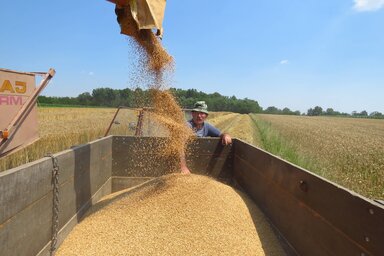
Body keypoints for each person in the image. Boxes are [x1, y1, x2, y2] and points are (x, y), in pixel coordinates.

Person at [181, 101, 232, 174]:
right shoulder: (187, 126)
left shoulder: (207, 126)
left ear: (206, 116)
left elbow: (221, 134)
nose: (199, 116)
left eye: (202, 113)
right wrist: (183, 166)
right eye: (196, 113)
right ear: (192, 114)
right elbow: (179, 145)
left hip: (200, 163)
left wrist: (226, 135)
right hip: (188, 162)